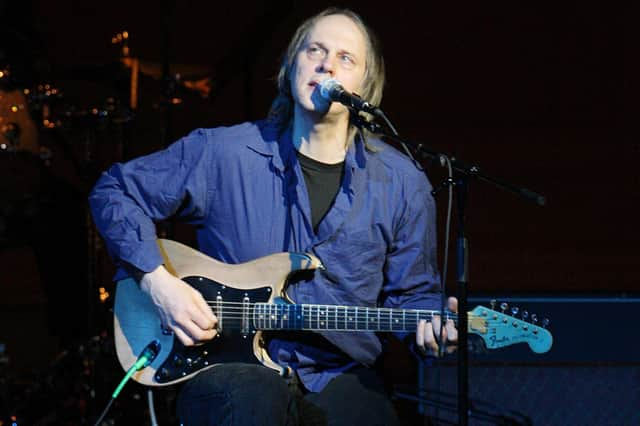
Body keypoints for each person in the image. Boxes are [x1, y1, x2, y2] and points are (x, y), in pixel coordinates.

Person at [89, 7, 458, 425]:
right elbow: (115, 190)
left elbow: (414, 297)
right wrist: (158, 284)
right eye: (314, 50)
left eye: (345, 58)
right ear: (290, 66)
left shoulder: (403, 182)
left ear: (365, 88)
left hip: (340, 373)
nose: (326, 64)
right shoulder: (222, 153)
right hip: (224, 364)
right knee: (250, 400)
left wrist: (432, 331)